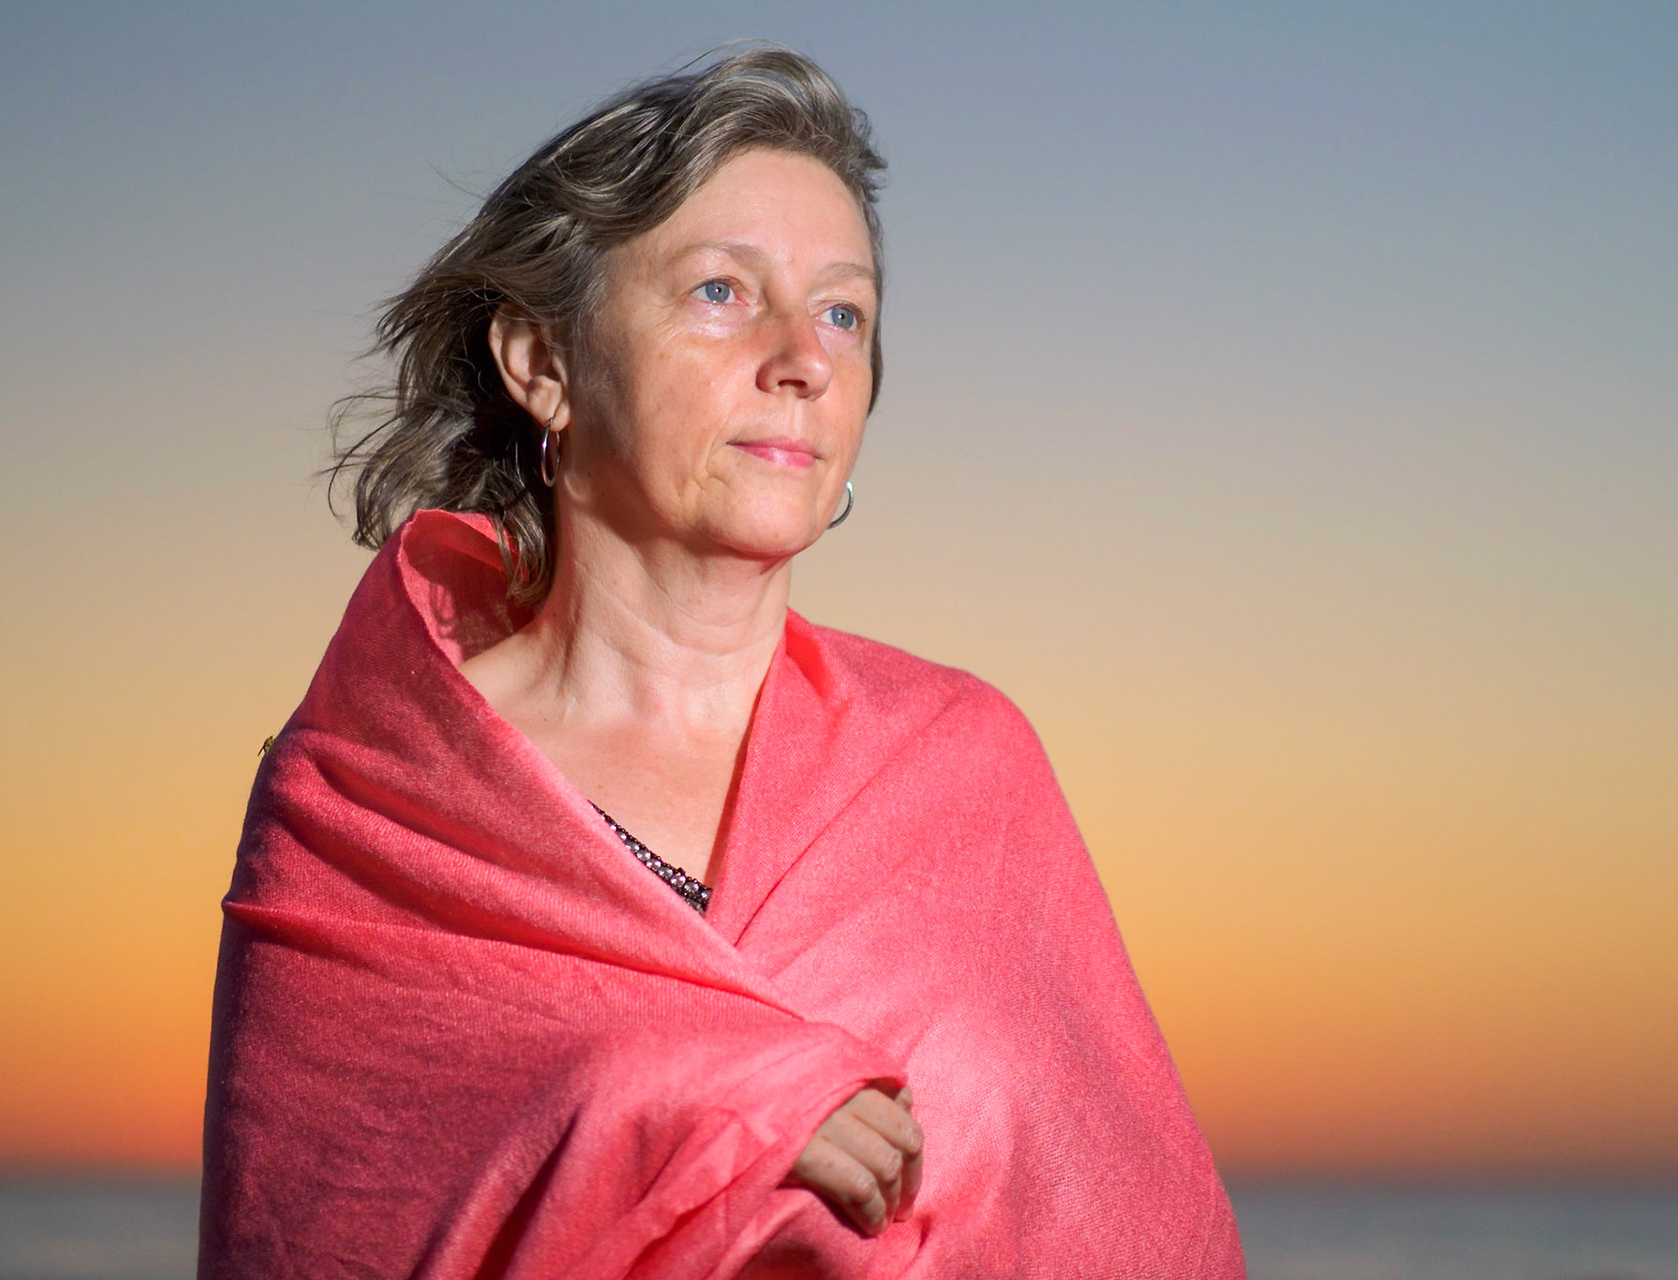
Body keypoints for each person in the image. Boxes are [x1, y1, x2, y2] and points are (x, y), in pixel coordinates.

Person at [200, 46, 1243, 1278]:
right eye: (719, 291)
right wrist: (712, 1108)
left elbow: (1125, 1218)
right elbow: (324, 1220)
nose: (804, 355)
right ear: (542, 363)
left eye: (844, 311)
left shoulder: (964, 763)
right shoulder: (365, 795)